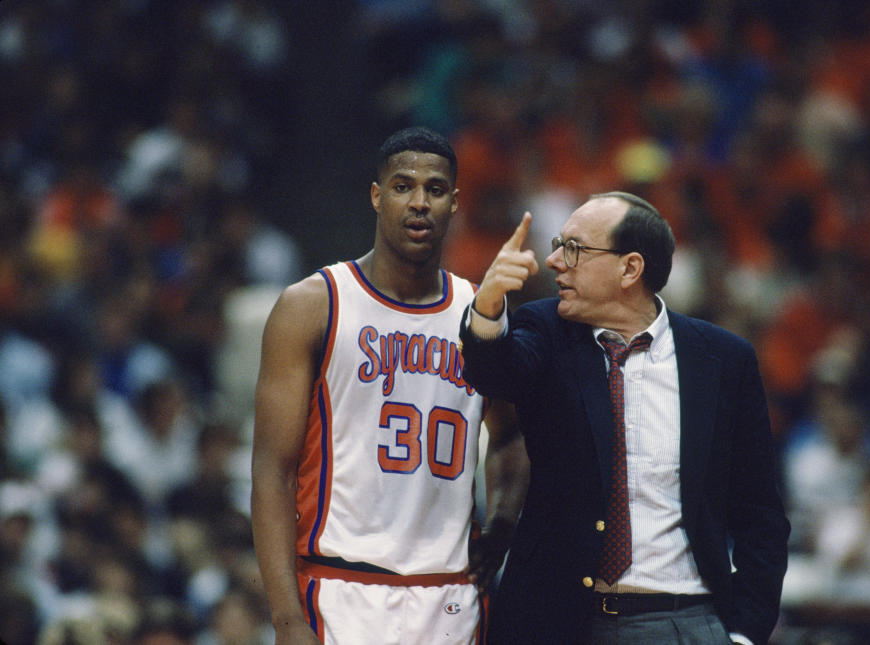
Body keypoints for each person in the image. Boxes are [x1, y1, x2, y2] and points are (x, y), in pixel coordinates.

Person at [459, 191, 790, 644]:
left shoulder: (724, 361)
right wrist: (489, 302)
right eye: (559, 244)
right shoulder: (544, 330)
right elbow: (493, 371)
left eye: (573, 248)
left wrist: (745, 633)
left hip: (682, 622)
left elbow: (760, 514)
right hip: (554, 623)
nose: (555, 260)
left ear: (630, 269)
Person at [251, 126, 526, 645]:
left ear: (454, 203)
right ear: (377, 197)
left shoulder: (481, 311)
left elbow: (511, 438)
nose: (419, 202)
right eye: (403, 186)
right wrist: (286, 616)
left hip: (451, 594)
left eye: (435, 190)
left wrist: (503, 523)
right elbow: (272, 470)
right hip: (339, 585)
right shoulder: (314, 305)